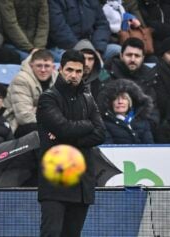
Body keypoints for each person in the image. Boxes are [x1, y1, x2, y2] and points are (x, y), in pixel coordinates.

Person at [36, 49, 105, 236]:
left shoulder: (88, 98)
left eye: (78, 71)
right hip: (55, 181)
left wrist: (65, 137)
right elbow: (64, 128)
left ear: (83, 73)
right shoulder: (48, 98)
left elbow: (101, 134)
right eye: (69, 70)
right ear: (60, 70)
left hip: (82, 181)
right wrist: (87, 125)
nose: (73, 75)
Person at [3, 49, 57, 138]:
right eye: (39, 66)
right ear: (31, 66)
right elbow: (24, 117)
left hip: (44, 122)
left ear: (53, 67)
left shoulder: (57, 78)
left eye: (47, 66)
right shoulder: (21, 79)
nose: (43, 70)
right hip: (16, 125)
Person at [47, 0, 120, 62]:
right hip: (65, 48)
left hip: (93, 47)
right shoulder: (54, 1)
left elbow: (102, 24)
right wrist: (81, 51)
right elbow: (59, 30)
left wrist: (98, 49)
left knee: (117, 50)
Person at [97, 79, 154, 144]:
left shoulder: (143, 123)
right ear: (110, 103)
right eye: (115, 98)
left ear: (130, 102)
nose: (120, 102)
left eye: (124, 98)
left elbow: (150, 147)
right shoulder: (104, 124)